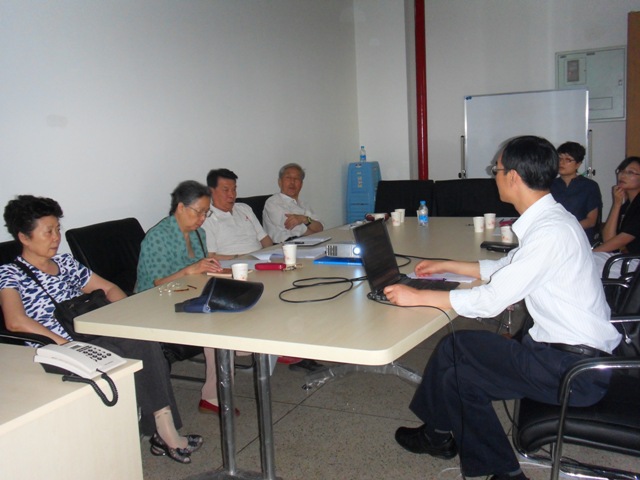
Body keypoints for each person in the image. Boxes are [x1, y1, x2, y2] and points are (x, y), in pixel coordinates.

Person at [384, 136, 621, 480]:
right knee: (456, 359)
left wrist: (418, 296)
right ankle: (448, 441)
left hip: (572, 370)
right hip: (565, 356)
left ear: (513, 176)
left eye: (495, 169)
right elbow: (509, 267)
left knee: (457, 360)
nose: (493, 176)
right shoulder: (552, 221)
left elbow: (493, 300)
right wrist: (447, 265)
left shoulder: (550, 232)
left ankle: (442, 438)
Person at [0, 195, 203, 465]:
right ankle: (162, 433)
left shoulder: (65, 263)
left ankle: (162, 430)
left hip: (88, 333)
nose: (56, 238)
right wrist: (63, 344)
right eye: (48, 232)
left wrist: (126, 316)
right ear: (24, 237)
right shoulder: (10, 273)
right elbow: (15, 321)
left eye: (58, 229)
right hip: (53, 349)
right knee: (131, 350)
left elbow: (108, 288)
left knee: (142, 340)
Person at [136, 180, 234, 416]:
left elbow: (200, 271)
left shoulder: (199, 233)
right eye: (198, 212)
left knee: (230, 305)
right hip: (154, 303)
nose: (202, 219)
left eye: (206, 213)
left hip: (188, 295)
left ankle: (239, 353)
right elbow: (158, 283)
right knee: (215, 326)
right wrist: (190, 270)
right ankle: (212, 396)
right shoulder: (158, 236)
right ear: (180, 207)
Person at [202, 168, 273, 258]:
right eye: (226, 190)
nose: (232, 195)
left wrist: (272, 254)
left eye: (234, 189)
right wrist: (241, 258)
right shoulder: (206, 218)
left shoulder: (244, 208)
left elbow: (264, 239)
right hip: (234, 263)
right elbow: (211, 256)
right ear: (210, 191)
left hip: (260, 258)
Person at [593, 156, 640, 273]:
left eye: (630, 172)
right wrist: (617, 204)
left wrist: (589, 253)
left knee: (591, 266)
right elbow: (609, 239)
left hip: (635, 261)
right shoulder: (627, 205)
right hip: (629, 259)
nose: (622, 175)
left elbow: (623, 239)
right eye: (621, 171)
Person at [550, 141, 601, 244]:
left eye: (568, 160)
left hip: (580, 237)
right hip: (554, 237)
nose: (562, 163)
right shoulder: (550, 185)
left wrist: (566, 229)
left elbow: (591, 221)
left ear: (578, 164)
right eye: (559, 158)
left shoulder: (590, 186)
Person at [262, 163, 324, 244]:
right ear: (280, 182)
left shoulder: (303, 204)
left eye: (296, 178)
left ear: (301, 184)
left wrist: (304, 219)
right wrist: (313, 229)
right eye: (288, 178)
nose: (292, 182)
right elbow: (295, 229)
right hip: (284, 246)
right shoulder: (272, 203)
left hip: (308, 243)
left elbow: (320, 227)